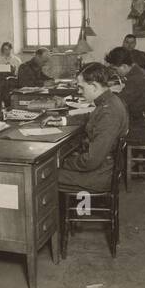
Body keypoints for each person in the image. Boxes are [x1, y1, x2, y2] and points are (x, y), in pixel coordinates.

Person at [57, 62, 130, 193]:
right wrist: (62, 120)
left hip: (99, 175)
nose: (79, 92)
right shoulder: (110, 100)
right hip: (104, 167)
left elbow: (92, 160)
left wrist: (63, 161)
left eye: (81, 88)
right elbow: (92, 116)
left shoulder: (109, 113)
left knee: (45, 176)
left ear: (94, 86)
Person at [106, 46, 145, 144]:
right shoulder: (140, 71)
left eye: (115, 69)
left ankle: (115, 158)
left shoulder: (136, 79)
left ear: (124, 66)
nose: (115, 73)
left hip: (144, 129)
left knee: (105, 130)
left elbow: (118, 103)